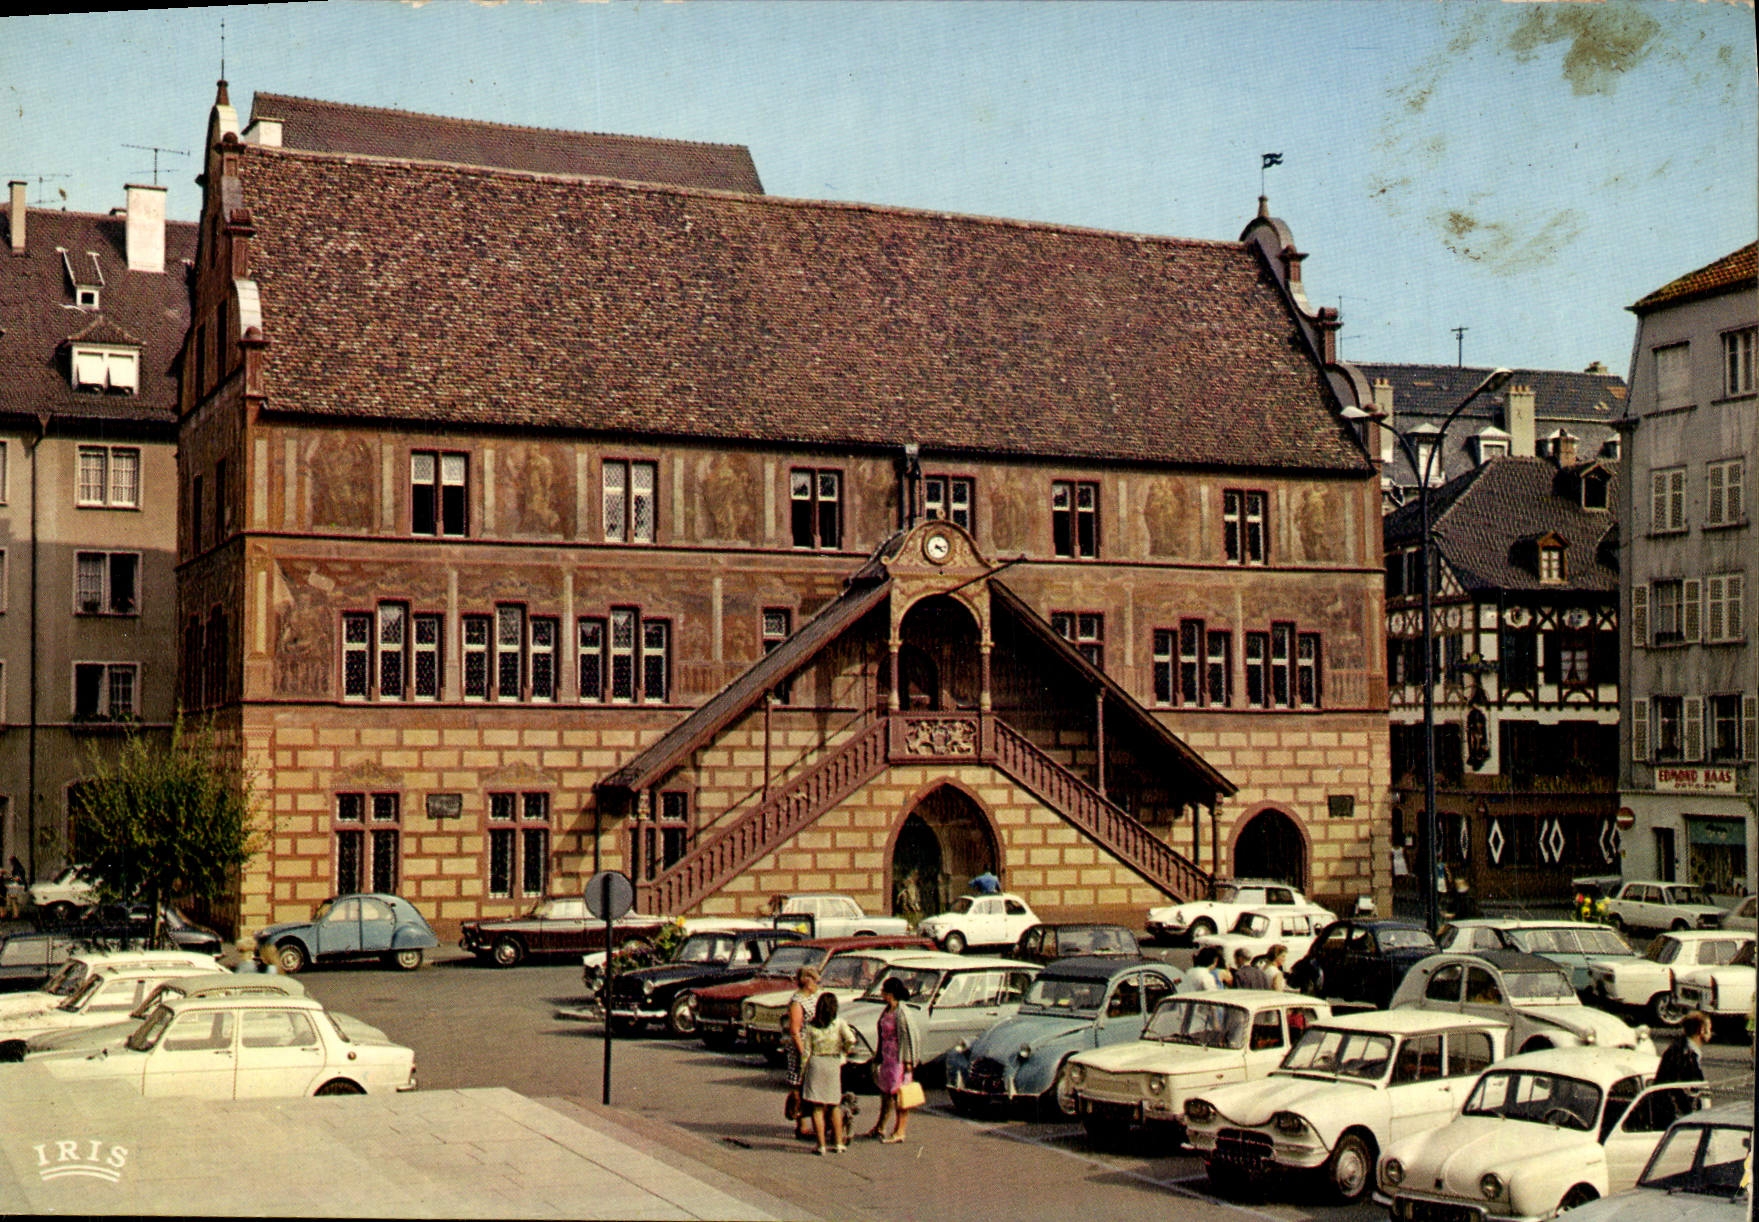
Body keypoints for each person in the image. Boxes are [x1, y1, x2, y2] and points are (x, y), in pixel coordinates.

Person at [863, 976, 920, 1144]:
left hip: (899, 1058)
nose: (881, 994)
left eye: (884, 991)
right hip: (887, 1057)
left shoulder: (902, 1012)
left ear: (891, 993)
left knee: (900, 1094)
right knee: (885, 1093)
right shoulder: (887, 1010)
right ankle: (880, 1126)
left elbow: (909, 1037)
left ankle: (900, 1130)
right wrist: (878, 1054)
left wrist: (909, 1062)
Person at [800, 993, 857, 1154]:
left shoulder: (811, 1026)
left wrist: (803, 1072)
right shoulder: (839, 1023)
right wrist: (843, 1051)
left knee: (817, 1108)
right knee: (834, 1105)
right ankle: (839, 1143)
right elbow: (851, 1040)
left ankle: (821, 1145)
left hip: (816, 1062)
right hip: (833, 1062)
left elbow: (806, 1052)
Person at [784, 965, 822, 1139]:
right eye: (814, 980)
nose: (817, 983)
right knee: (801, 1086)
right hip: (802, 1048)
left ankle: (812, 1121)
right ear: (807, 981)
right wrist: (803, 1053)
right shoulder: (797, 1001)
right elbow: (795, 1030)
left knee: (811, 1086)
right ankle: (801, 1123)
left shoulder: (813, 997)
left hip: (814, 1046)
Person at [1656, 1010, 1711, 1121]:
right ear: (1701, 1030)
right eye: (1709, 1029)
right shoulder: (1684, 1054)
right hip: (1676, 1118)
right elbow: (1681, 1092)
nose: (1710, 1032)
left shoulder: (1683, 1049)